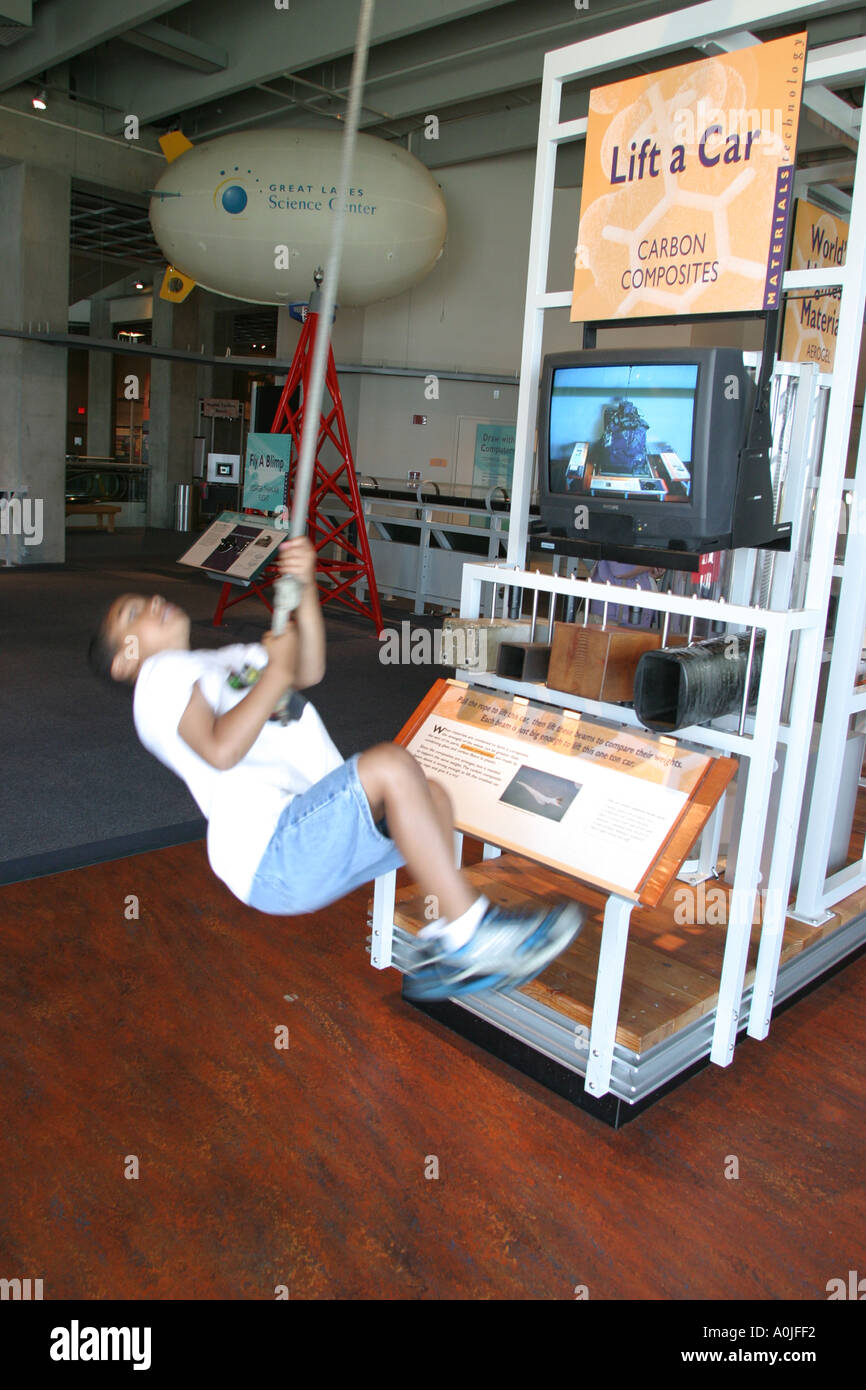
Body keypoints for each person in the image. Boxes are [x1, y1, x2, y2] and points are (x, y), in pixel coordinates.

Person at [88, 537, 583, 1002]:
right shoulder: (157, 679)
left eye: (145, 598)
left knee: (431, 799)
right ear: (122, 662)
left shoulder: (223, 658)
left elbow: (308, 669)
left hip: (307, 841)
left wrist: (303, 592)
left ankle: (451, 935)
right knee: (389, 766)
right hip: (270, 848)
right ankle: (469, 936)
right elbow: (219, 750)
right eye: (133, 614)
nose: (152, 601)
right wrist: (277, 671)